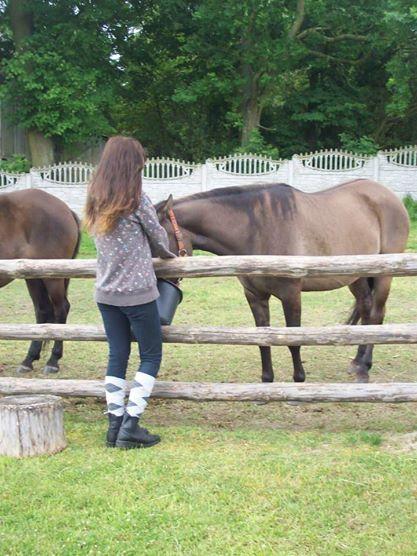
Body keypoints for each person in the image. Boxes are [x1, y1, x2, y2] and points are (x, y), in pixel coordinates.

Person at [84, 136, 176, 449]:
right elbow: (159, 239)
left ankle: (114, 425)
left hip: (106, 294)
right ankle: (132, 425)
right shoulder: (138, 200)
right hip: (137, 293)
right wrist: (171, 255)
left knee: (117, 355)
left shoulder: (95, 200)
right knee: (151, 355)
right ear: (131, 165)